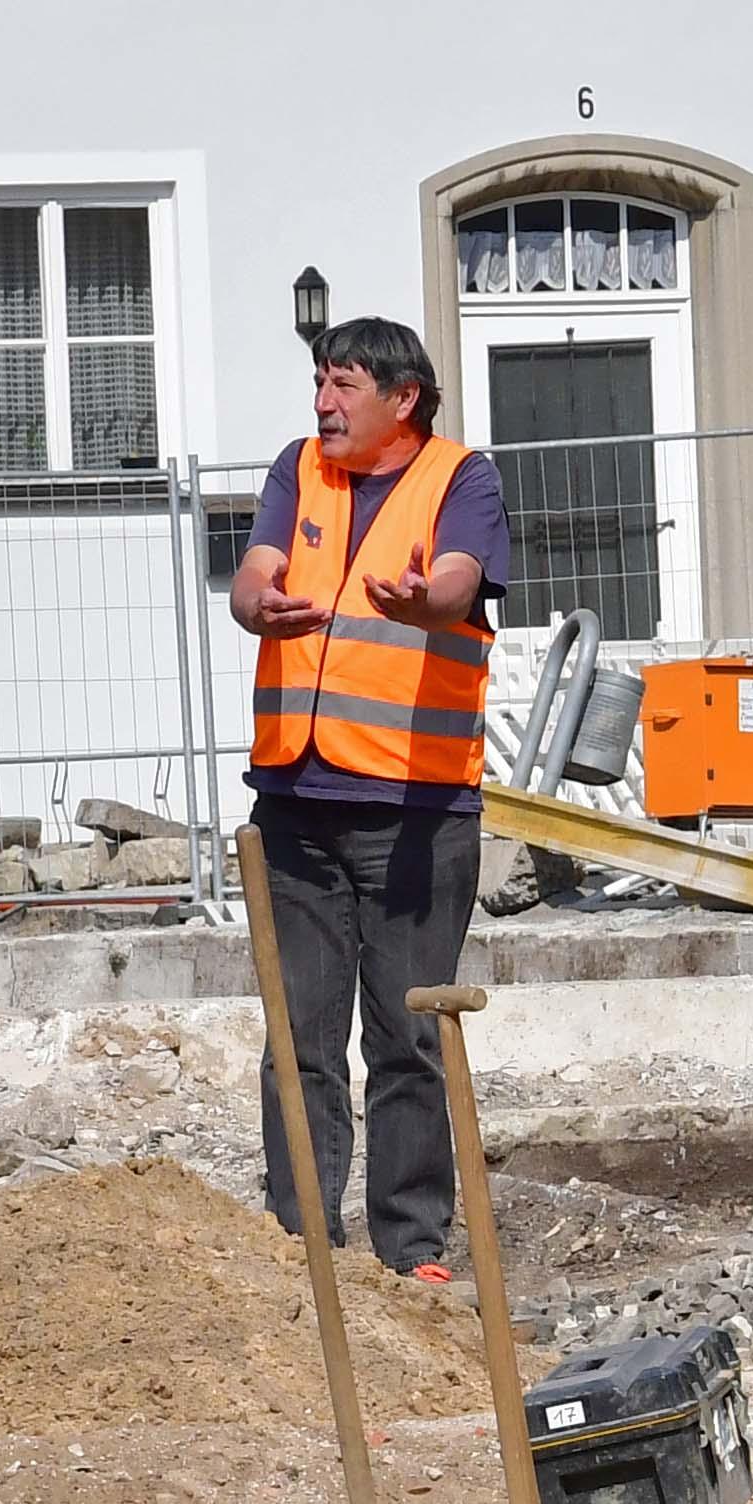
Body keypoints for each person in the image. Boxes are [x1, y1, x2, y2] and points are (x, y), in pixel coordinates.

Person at [228, 313, 502, 1280]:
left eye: (344, 385)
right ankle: (303, 1241)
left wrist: (425, 600)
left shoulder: (460, 477)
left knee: (407, 1035)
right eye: (319, 381)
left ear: (403, 399)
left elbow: (461, 581)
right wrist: (256, 603)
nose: (323, 403)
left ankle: (410, 1249)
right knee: (297, 1039)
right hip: (295, 801)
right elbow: (254, 574)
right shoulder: (297, 468)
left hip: (413, 815)